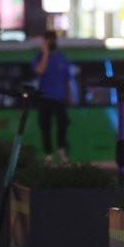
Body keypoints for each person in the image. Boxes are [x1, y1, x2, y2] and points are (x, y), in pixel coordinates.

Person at [33, 30, 73, 162]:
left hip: (60, 98)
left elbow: (67, 79)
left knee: (63, 125)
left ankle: (62, 150)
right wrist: (45, 53)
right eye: (48, 40)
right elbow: (40, 70)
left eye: (52, 39)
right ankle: (48, 154)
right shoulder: (39, 57)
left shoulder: (62, 57)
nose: (51, 42)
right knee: (45, 126)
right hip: (45, 98)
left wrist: (70, 96)